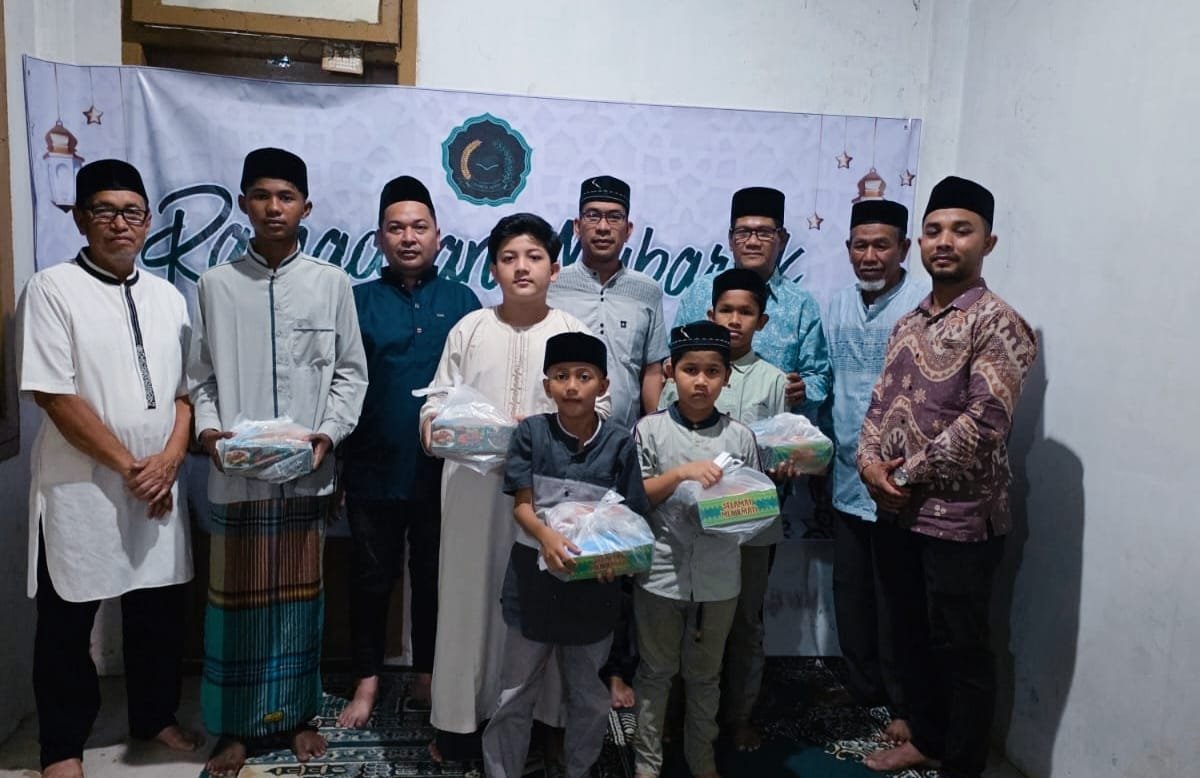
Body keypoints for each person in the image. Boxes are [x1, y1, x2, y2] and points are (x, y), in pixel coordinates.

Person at [189, 147, 369, 777]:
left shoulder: (330, 283)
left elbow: (350, 374)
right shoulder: (215, 285)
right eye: (262, 195)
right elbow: (201, 378)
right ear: (243, 203)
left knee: (298, 602)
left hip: (305, 475)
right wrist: (210, 435)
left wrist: (327, 436)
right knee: (234, 606)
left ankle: (296, 717)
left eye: (286, 197)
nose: (274, 207)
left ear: (305, 207)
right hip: (236, 476)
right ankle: (235, 730)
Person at [18, 159, 197, 778]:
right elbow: (54, 395)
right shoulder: (51, 290)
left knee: (158, 608)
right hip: (83, 485)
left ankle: (155, 717)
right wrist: (130, 466)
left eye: (132, 212)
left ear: (147, 222)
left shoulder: (168, 296)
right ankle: (61, 748)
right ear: (79, 218)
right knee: (68, 619)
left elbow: (186, 394)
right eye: (105, 211)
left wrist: (169, 460)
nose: (120, 223)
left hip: (158, 482)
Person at [857, 177, 1038, 778]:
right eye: (934, 230)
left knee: (961, 650)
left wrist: (903, 474)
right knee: (910, 635)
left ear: (988, 242)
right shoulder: (908, 322)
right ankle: (929, 739)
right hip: (898, 513)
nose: (945, 242)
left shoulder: (1000, 323)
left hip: (960, 523)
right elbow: (880, 404)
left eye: (961, 231)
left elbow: (985, 423)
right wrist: (869, 464)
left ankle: (961, 766)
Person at [418, 213, 611, 760]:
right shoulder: (470, 328)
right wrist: (436, 426)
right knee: (469, 599)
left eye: (533, 257)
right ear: (493, 268)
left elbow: (602, 408)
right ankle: (461, 721)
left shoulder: (574, 333)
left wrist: (552, 430)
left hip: (548, 499)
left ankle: (543, 722)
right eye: (508, 258)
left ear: (554, 268)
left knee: (541, 608)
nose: (521, 268)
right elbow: (436, 401)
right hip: (473, 493)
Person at [336, 176, 480, 728]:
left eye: (419, 227)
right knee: (371, 578)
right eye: (396, 228)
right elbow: (341, 384)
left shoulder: (462, 302)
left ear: (438, 236)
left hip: (443, 473)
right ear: (380, 238)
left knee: (435, 576)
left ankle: (428, 671)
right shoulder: (358, 302)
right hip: (372, 468)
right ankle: (367, 678)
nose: (408, 237)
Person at [482, 332, 651, 777]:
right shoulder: (531, 433)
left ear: (603, 385)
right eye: (561, 376)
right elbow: (522, 507)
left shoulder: (619, 443)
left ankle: (580, 769)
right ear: (547, 385)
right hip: (532, 585)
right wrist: (547, 537)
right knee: (514, 693)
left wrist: (613, 560)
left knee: (589, 696)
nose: (572, 386)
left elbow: (629, 518)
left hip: (593, 590)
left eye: (583, 376)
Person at [632, 321, 766, 778]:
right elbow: (635, 497)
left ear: (727, 376)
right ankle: (647, 764)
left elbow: (755, 507)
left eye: (712, 371)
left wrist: (724, 510)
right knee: (655, 672)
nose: (701, 381)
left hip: (718, 576)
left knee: (706, 676)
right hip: (661, 572)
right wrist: (680, 476)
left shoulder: (740, 437)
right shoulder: (649, 430)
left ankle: (702, 762)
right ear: (671, 371)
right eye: (691, 370)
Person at [662, 268, 788, 752]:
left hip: (750, 527)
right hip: (689, 527)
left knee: (745, 622)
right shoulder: (681, 375)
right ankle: (676, 715)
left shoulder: (773, 380)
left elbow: (781, 447)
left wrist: (787, 463)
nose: (735, 320)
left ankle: (737, 717)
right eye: (726, 311)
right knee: (683, 616)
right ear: (711, 313)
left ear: (762, 320)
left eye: (746, 312)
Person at [825, 199, 927, 740]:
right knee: (851, 590)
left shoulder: (922, 304)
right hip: (846, 471)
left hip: (898, 480)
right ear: (847, 249)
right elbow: (827, 379)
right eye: (860, 246)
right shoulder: (838, 304)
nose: (870, 256)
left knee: (897, 597)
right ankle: (862, 685)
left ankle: (904, 703)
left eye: (881, 245)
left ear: (903, 249)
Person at [673, 187, 830, 420]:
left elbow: (819, 377)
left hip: (772, 432)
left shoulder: (801, 305)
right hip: (700, 430)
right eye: (743, 232)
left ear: (782, 239)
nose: (753, 242)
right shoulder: (700, 293)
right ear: (730, 240)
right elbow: (674, 360)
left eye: (765, 233)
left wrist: (803, 391)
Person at [548, 175, 669, 431]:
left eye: (614, 217)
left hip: (624, 437)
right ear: (577, 227)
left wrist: (656, 431)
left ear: (628, 229)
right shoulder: (552, 285)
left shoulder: (648, 291)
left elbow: (652, 370)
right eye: (593, 216)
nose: (603, 227)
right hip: (556, 436)